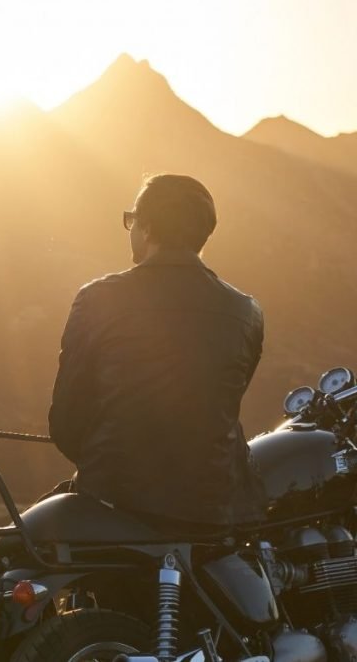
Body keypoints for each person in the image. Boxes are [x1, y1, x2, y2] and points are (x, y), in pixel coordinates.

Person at [48, 174, 265, 529]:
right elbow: (221, 402)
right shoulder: (247, 312)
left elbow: (66, 420)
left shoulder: (98, 298)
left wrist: (111, 461)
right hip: (214, 511)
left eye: (131, 220)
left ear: (146, 229)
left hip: (115, 501)